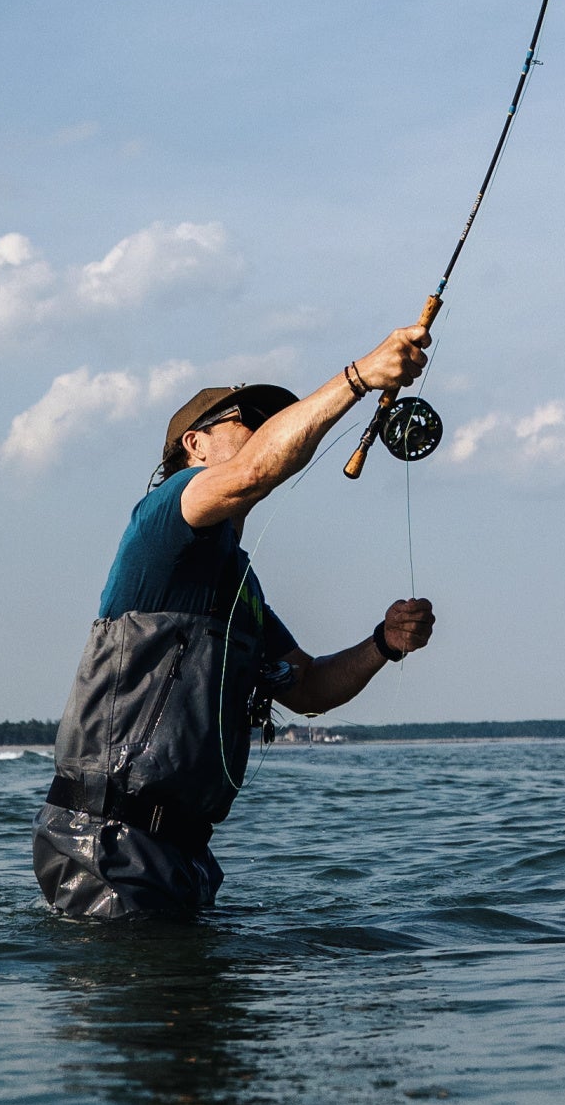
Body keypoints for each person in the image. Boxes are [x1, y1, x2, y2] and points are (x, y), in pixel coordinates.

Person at [33, 328, 438, 925]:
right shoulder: (165, 516)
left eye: (276, 420)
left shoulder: (239, 588)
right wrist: (358, 378)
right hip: (107, 848)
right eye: (249, 419)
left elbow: (306, 690)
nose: (270, 428)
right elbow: (253, 470)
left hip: (185, 854)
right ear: (195, 444)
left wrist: (384, 644)